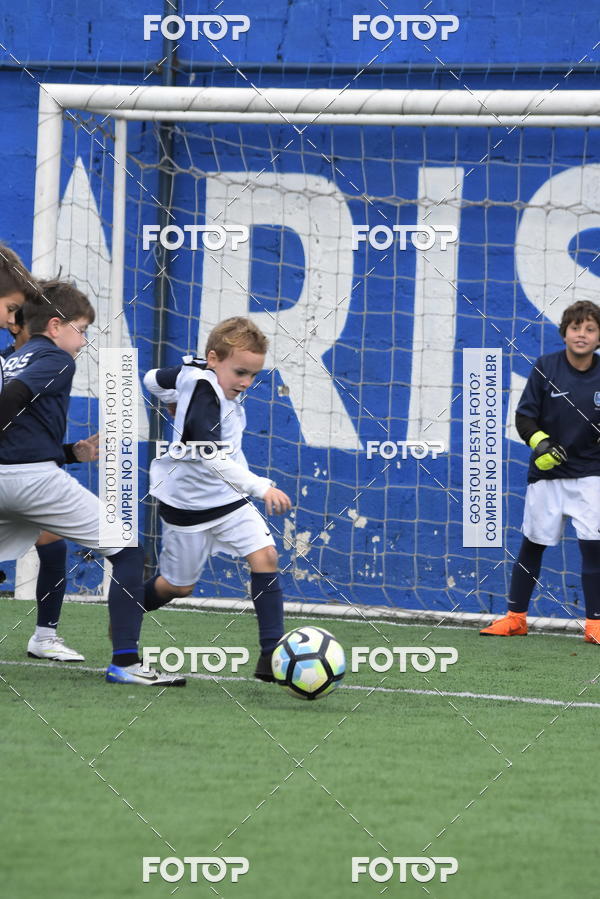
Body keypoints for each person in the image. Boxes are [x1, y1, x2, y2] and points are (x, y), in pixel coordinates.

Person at [0, 274, 184, 685]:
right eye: (80, 330)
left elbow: (18, 427)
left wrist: (69, 452)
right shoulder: (56, 359)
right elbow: (13, 401)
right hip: (33, 483)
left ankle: (45, 636)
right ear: (54, 326)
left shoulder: (10, 358)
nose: (83, 342)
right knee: (128, 551)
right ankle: (126, 664)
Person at [143, 316, 292, 680]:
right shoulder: (206, 392)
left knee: (266, 557)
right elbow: (211, 457)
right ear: (214, 358)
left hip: (228, 501)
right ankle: (126, 608)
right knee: (179, 586)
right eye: (240, 372)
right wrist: (261, 487)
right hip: (188, 506)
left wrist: (172, 400)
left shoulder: (195, 372)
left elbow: (152, 379)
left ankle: (271, 656)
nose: (246, 383)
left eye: (253, 376)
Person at [481, 299, 600, 642]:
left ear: (598, 336)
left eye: (590, 329)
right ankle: (516, 618)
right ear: (564, 333)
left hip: (591, 476)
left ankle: (595, 625)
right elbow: (524, 417)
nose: (582, 334)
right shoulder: (546, 367)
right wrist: (542, 444)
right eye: (576, 328)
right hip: (546, 476)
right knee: (532, 545)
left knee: (594, 548)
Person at [1, 307, 98, 663]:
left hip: (21, 476)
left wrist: (72, 452)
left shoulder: (31, 365)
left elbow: (22, 443)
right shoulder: (18, 365)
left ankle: (44, 637)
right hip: (13, 479)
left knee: (53, 544)